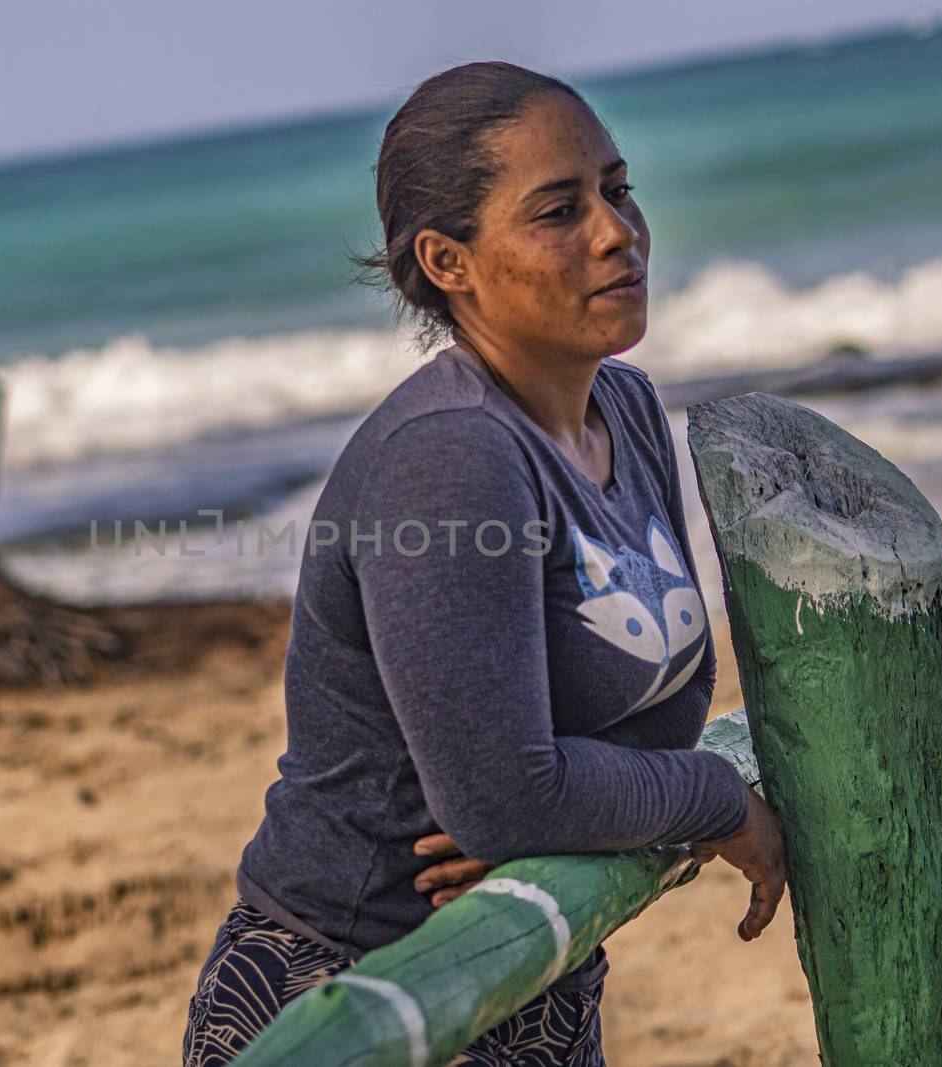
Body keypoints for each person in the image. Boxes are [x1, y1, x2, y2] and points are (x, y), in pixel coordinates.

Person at [182, 61, 787, 1066]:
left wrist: (562, 808)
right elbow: (505, 797)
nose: (615, 230)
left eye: (617, 187)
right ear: (448, 261)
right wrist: (708, 800)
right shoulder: (451, 456)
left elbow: (658, 715)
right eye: (558, 210)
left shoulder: (624, 409)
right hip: (360, 983)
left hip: (529, 971)